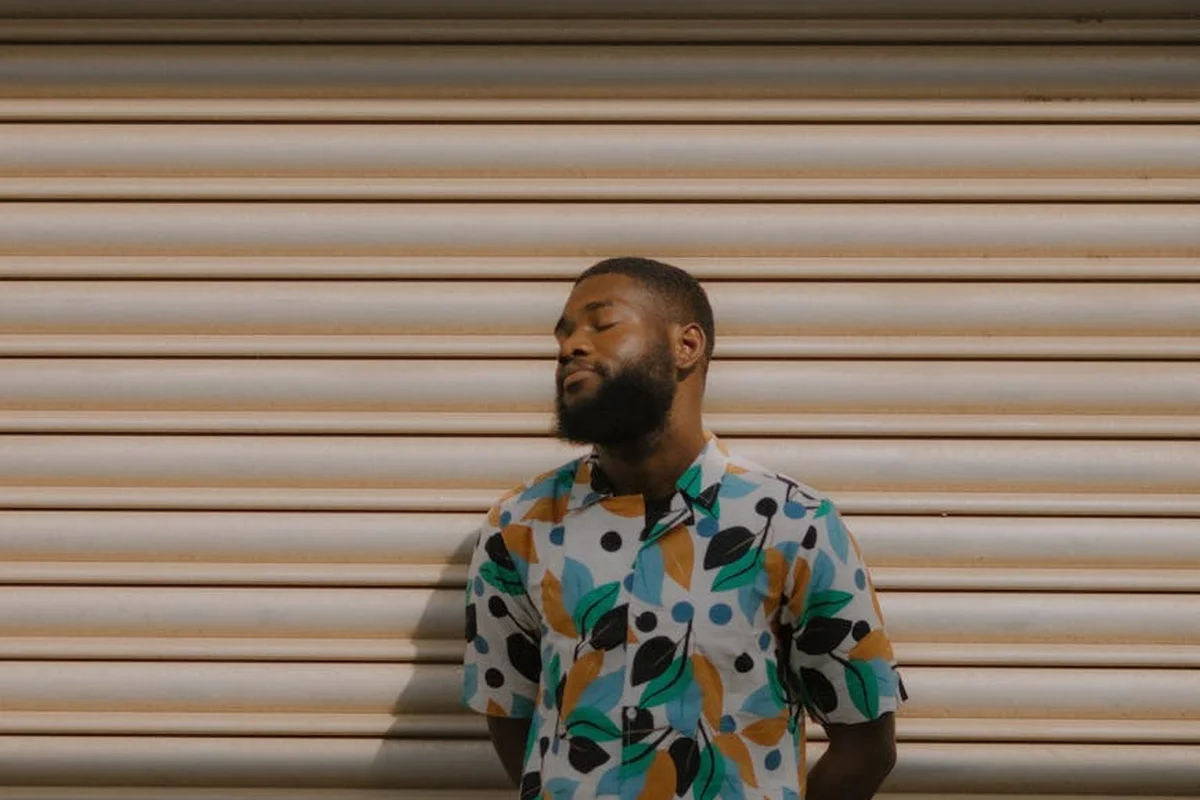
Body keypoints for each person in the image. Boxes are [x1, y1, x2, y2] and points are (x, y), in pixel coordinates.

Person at [462, 257, 904, 800]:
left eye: (602, 325)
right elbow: (510, 712)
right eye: (565, 333)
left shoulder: (792, 523)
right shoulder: (520, 526)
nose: (571, 346)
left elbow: (867, 744)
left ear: (686, 346)